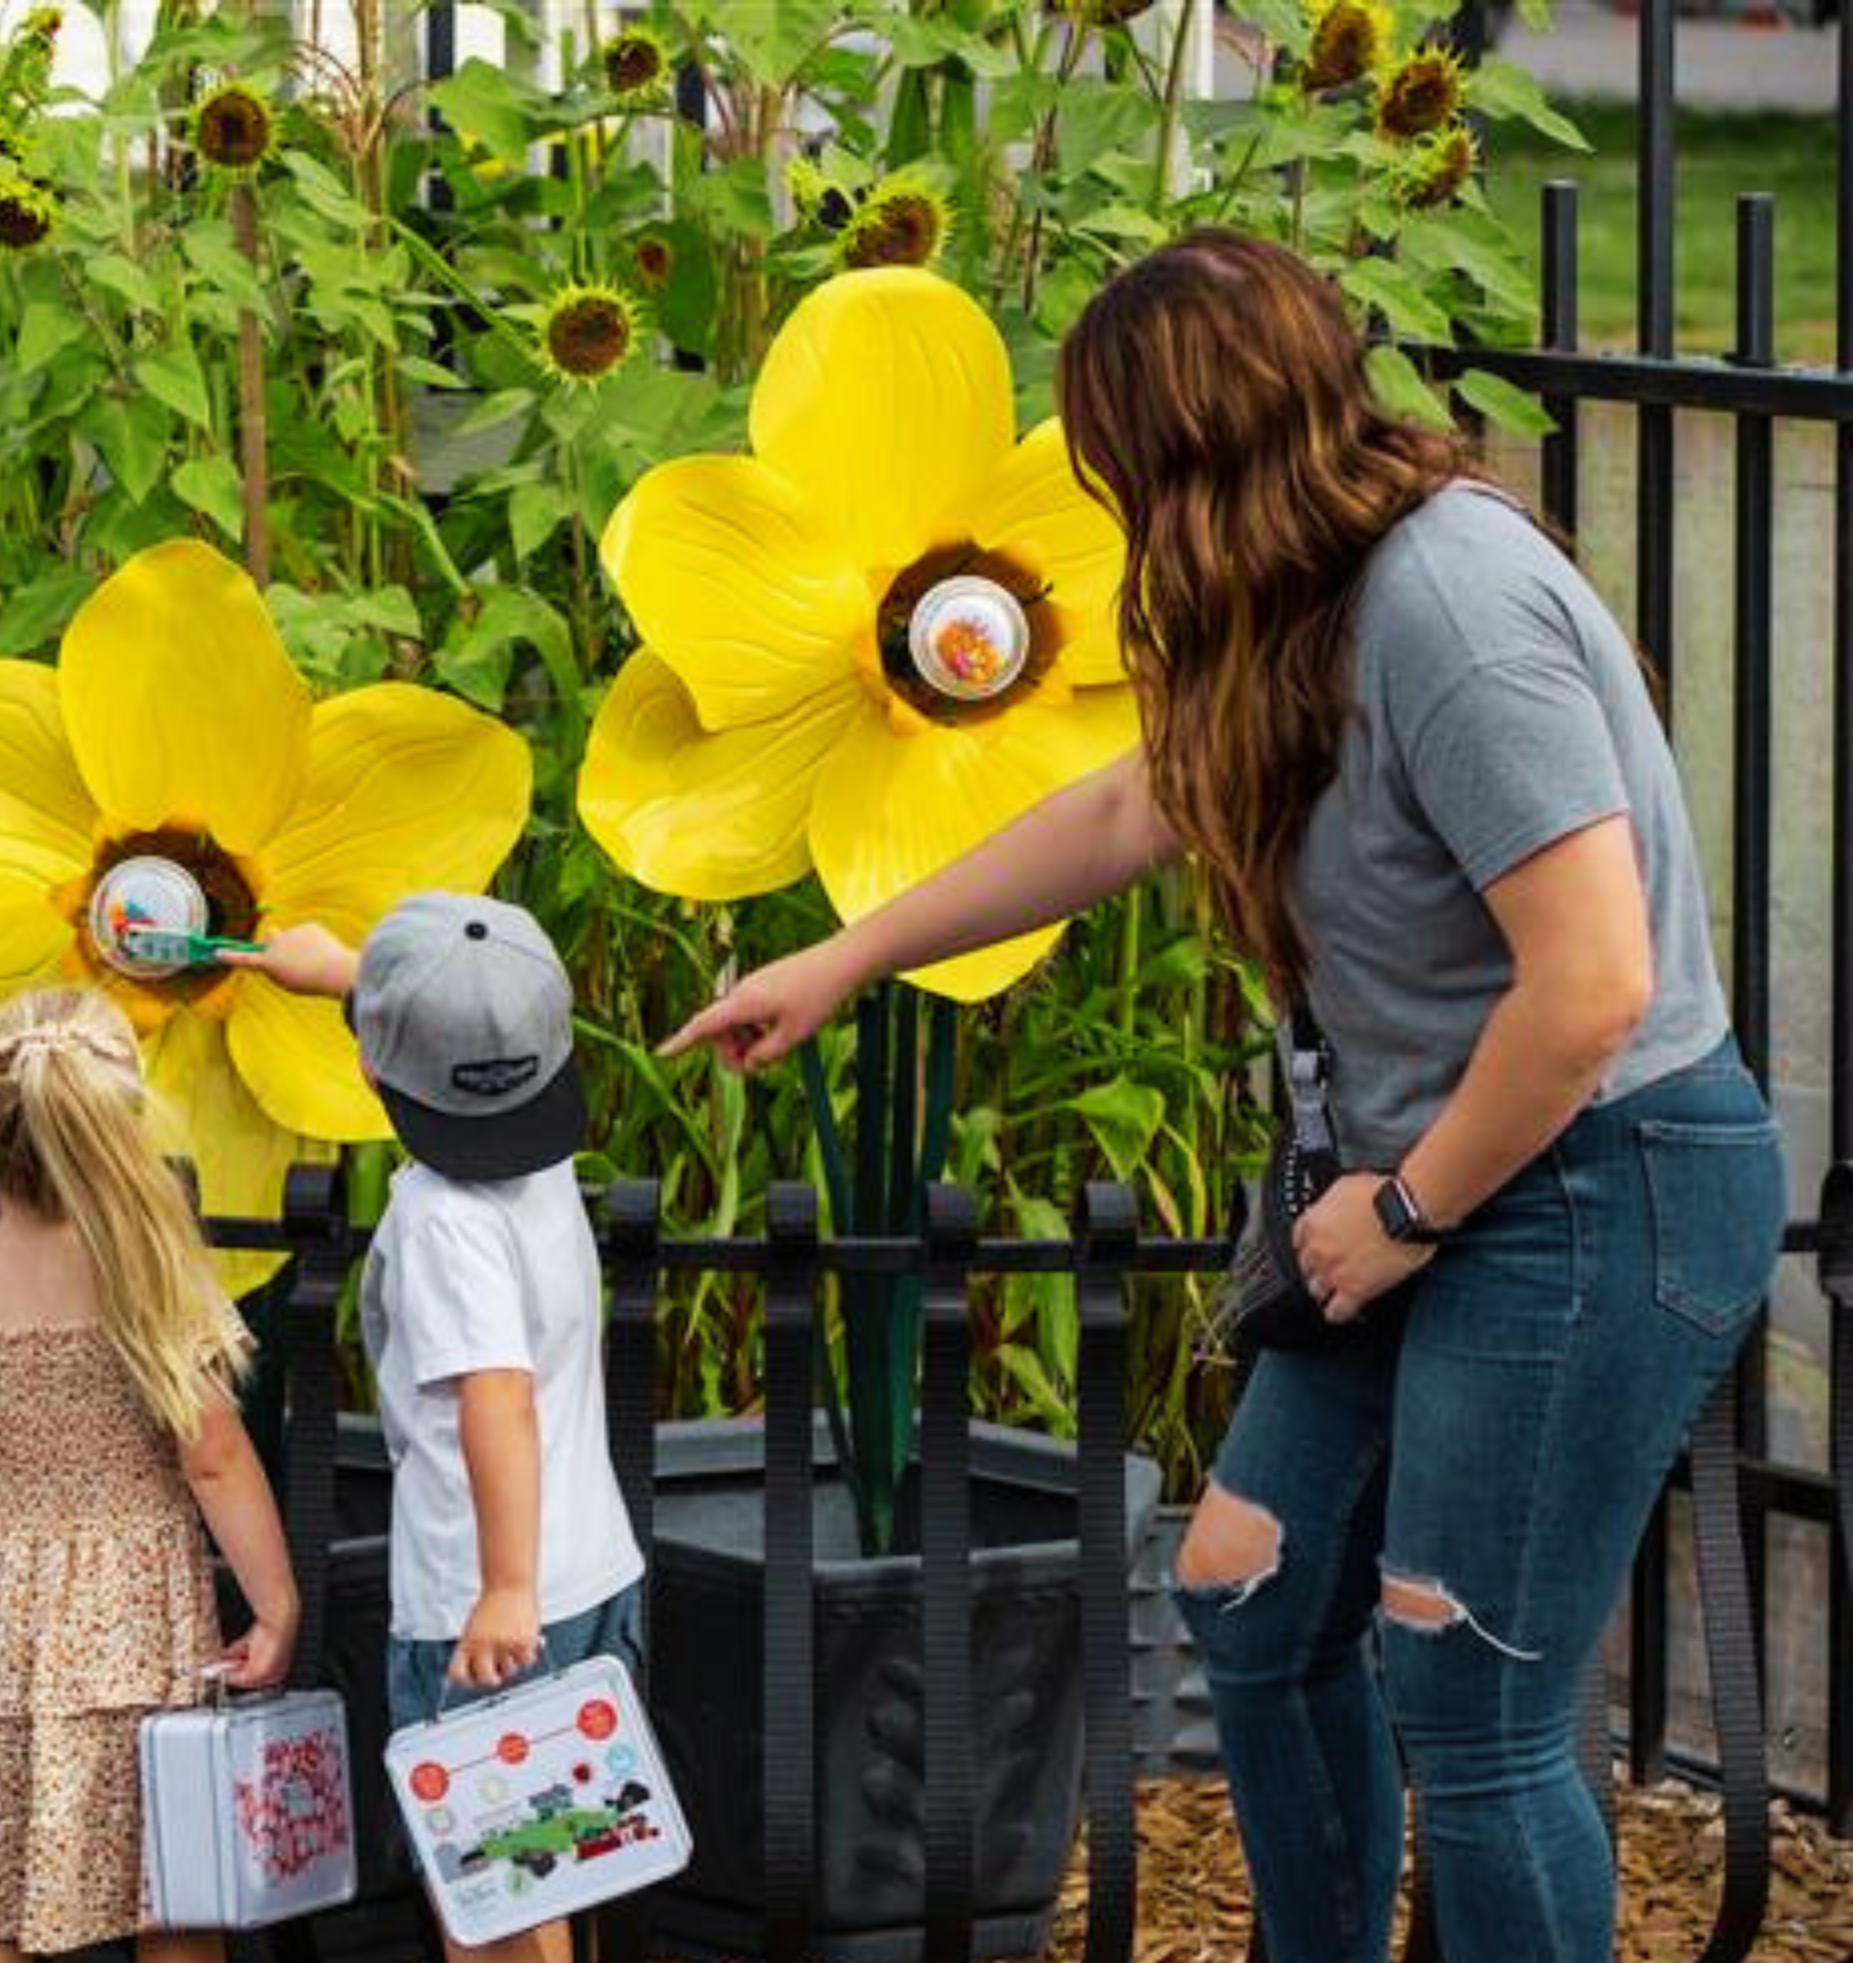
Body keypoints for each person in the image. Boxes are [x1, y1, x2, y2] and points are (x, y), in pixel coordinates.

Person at [664, 228, 1786, 1963]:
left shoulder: (1450, 607)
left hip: (1585, 1180)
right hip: (1424, 1186)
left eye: (1116, 461)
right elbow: (1132, 807)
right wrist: (851, 955)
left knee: (1471, 1699)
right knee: (1247, 1599)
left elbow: (1594, 987)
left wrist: (1407, 1215)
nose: (1107, 508)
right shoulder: (1293, 596)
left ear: (1185, 446)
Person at [0, 986, 300, 1961]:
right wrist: (274, 1604)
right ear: (117, 1129)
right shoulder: (154, 1278)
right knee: (172, 1883)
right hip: (138, 1617)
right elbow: (214, 1457)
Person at [235, 895, 645, 1963]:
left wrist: (501, 1588)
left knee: (492, 1904)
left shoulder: (438, 1217)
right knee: (565, 1864)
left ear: (371, 1073)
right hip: (588, 1577)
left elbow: (494, 1393)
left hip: (485, 1603)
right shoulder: (539, 1157)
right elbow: (465, 1027)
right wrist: (342, 976)